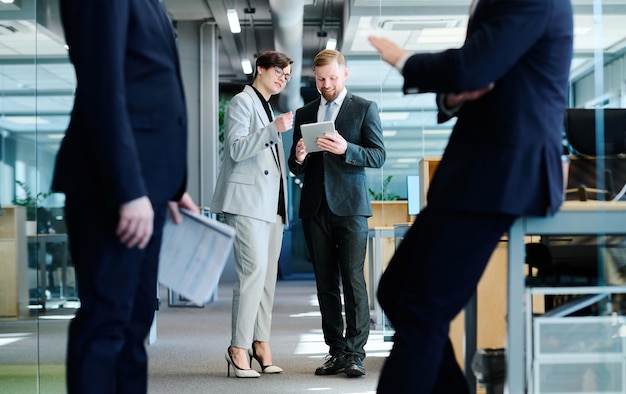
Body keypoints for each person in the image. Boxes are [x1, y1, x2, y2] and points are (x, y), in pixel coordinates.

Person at [367, 0, 573, 391]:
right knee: (395, 290)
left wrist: (403, 59)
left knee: (422, 310)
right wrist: (453, 95)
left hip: (501, 173)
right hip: (474, 171)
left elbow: (471, 67)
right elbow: (476, 77)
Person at [51, 1, 198, 393]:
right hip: (112, 188)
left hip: (148, 186)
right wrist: (129, 187)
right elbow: (104, 87)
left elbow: (150, 89)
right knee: (106, 323)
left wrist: (170, 186)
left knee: (134, 325)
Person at [288, 49, 386, 377]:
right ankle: (337, 352)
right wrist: (299, 156)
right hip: (315, 208)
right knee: (325, 284)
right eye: (320, 79)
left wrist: (347, 149)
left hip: (351, 209)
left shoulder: (364, 108)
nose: (326, 84)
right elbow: (294, 165)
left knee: (353, 279)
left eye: (331, 78)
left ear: (344, 74)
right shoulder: (305, 113)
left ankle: (356, 353)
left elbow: (378, 156)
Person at [211, 51, 294, 378]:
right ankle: (238, 347)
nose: (281, 78)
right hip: (247, 202)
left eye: (286, 76)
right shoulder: (242, 103)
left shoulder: (267, 106)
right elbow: (236, 148)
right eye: (278, 71)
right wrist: (273, 129)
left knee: (267, 279)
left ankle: (261, 343)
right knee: (252, 273)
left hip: (271, 205)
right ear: (260, 68)